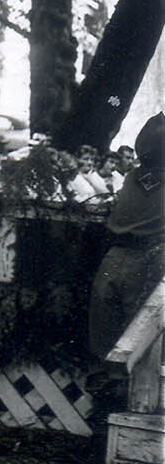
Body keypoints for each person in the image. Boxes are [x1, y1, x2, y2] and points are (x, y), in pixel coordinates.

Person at [88, 115, 164, 380]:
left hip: (116, 256)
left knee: (107, 327)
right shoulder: (139, 177)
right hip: (150, 258)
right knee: (139, 330)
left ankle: (107, 384)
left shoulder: (133, 177)